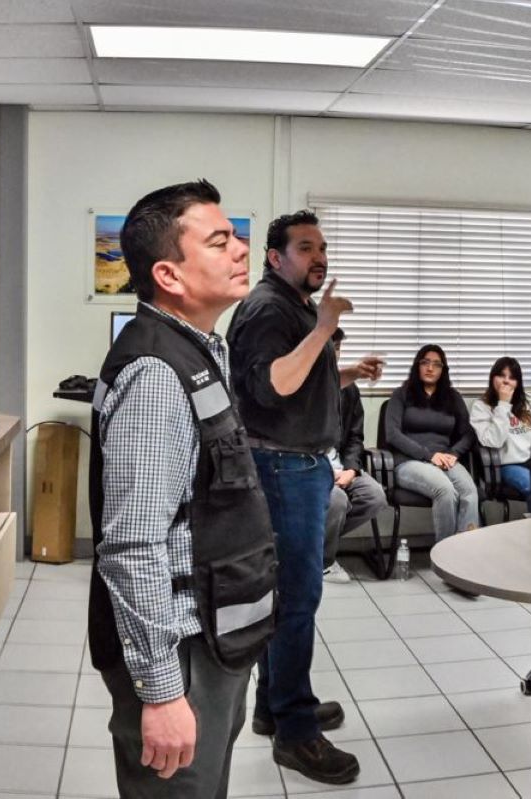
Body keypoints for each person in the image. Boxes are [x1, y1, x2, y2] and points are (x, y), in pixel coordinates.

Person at [90, 181, 276, 798]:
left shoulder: (199, 349)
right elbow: (132, 546)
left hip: (214, 639)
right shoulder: (155, 374)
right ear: (168, 274)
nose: (242, 249)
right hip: (181, 653)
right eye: (221, 240)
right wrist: (162, 690)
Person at [228, 209, 382, 784]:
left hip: (303, 463)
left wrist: (346, 374)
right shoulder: (269, 308)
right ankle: (295, 731)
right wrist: (323, 328)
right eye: (304, 247)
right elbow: (269, 388)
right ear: (275, 257)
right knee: (296, 599)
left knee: (288, 596)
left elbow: (299, 382)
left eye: (322, 247)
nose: (319, 256)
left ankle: (275, 704)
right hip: (281, 468)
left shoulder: (292, 305)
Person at [384, 345, 481, 542]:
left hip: (445, 460)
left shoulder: (452, 397)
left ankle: (466, 553)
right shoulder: (402, 394)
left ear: (443, 370)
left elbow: (469, 434)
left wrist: (454, 453)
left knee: (470, 492)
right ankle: (445, 556)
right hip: (408, 462)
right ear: (417, 366)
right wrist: (428, 455)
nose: (430, 368)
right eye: (425, 362)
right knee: (444, 490)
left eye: (437, 364)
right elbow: (392, 434)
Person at [319, 329, 385, 585]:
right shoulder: (300, 385)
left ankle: (316, 543)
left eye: (337, 347)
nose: (334, 352)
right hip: (313, 467)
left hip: (340, 464)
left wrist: (351, 469)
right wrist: (327, 473)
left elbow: (355, 438)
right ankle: (323, 562)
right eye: (329, 346)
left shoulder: (349, 390)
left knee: (374, 496)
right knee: (336, 500)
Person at [469, 356, 531, 510]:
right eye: (501, 376)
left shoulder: (530, 401)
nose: (506, 381)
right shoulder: (481, 406)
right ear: (492, 378)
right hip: (507, 464)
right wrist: (503, 403)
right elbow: (494, 441)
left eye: (512, 377)